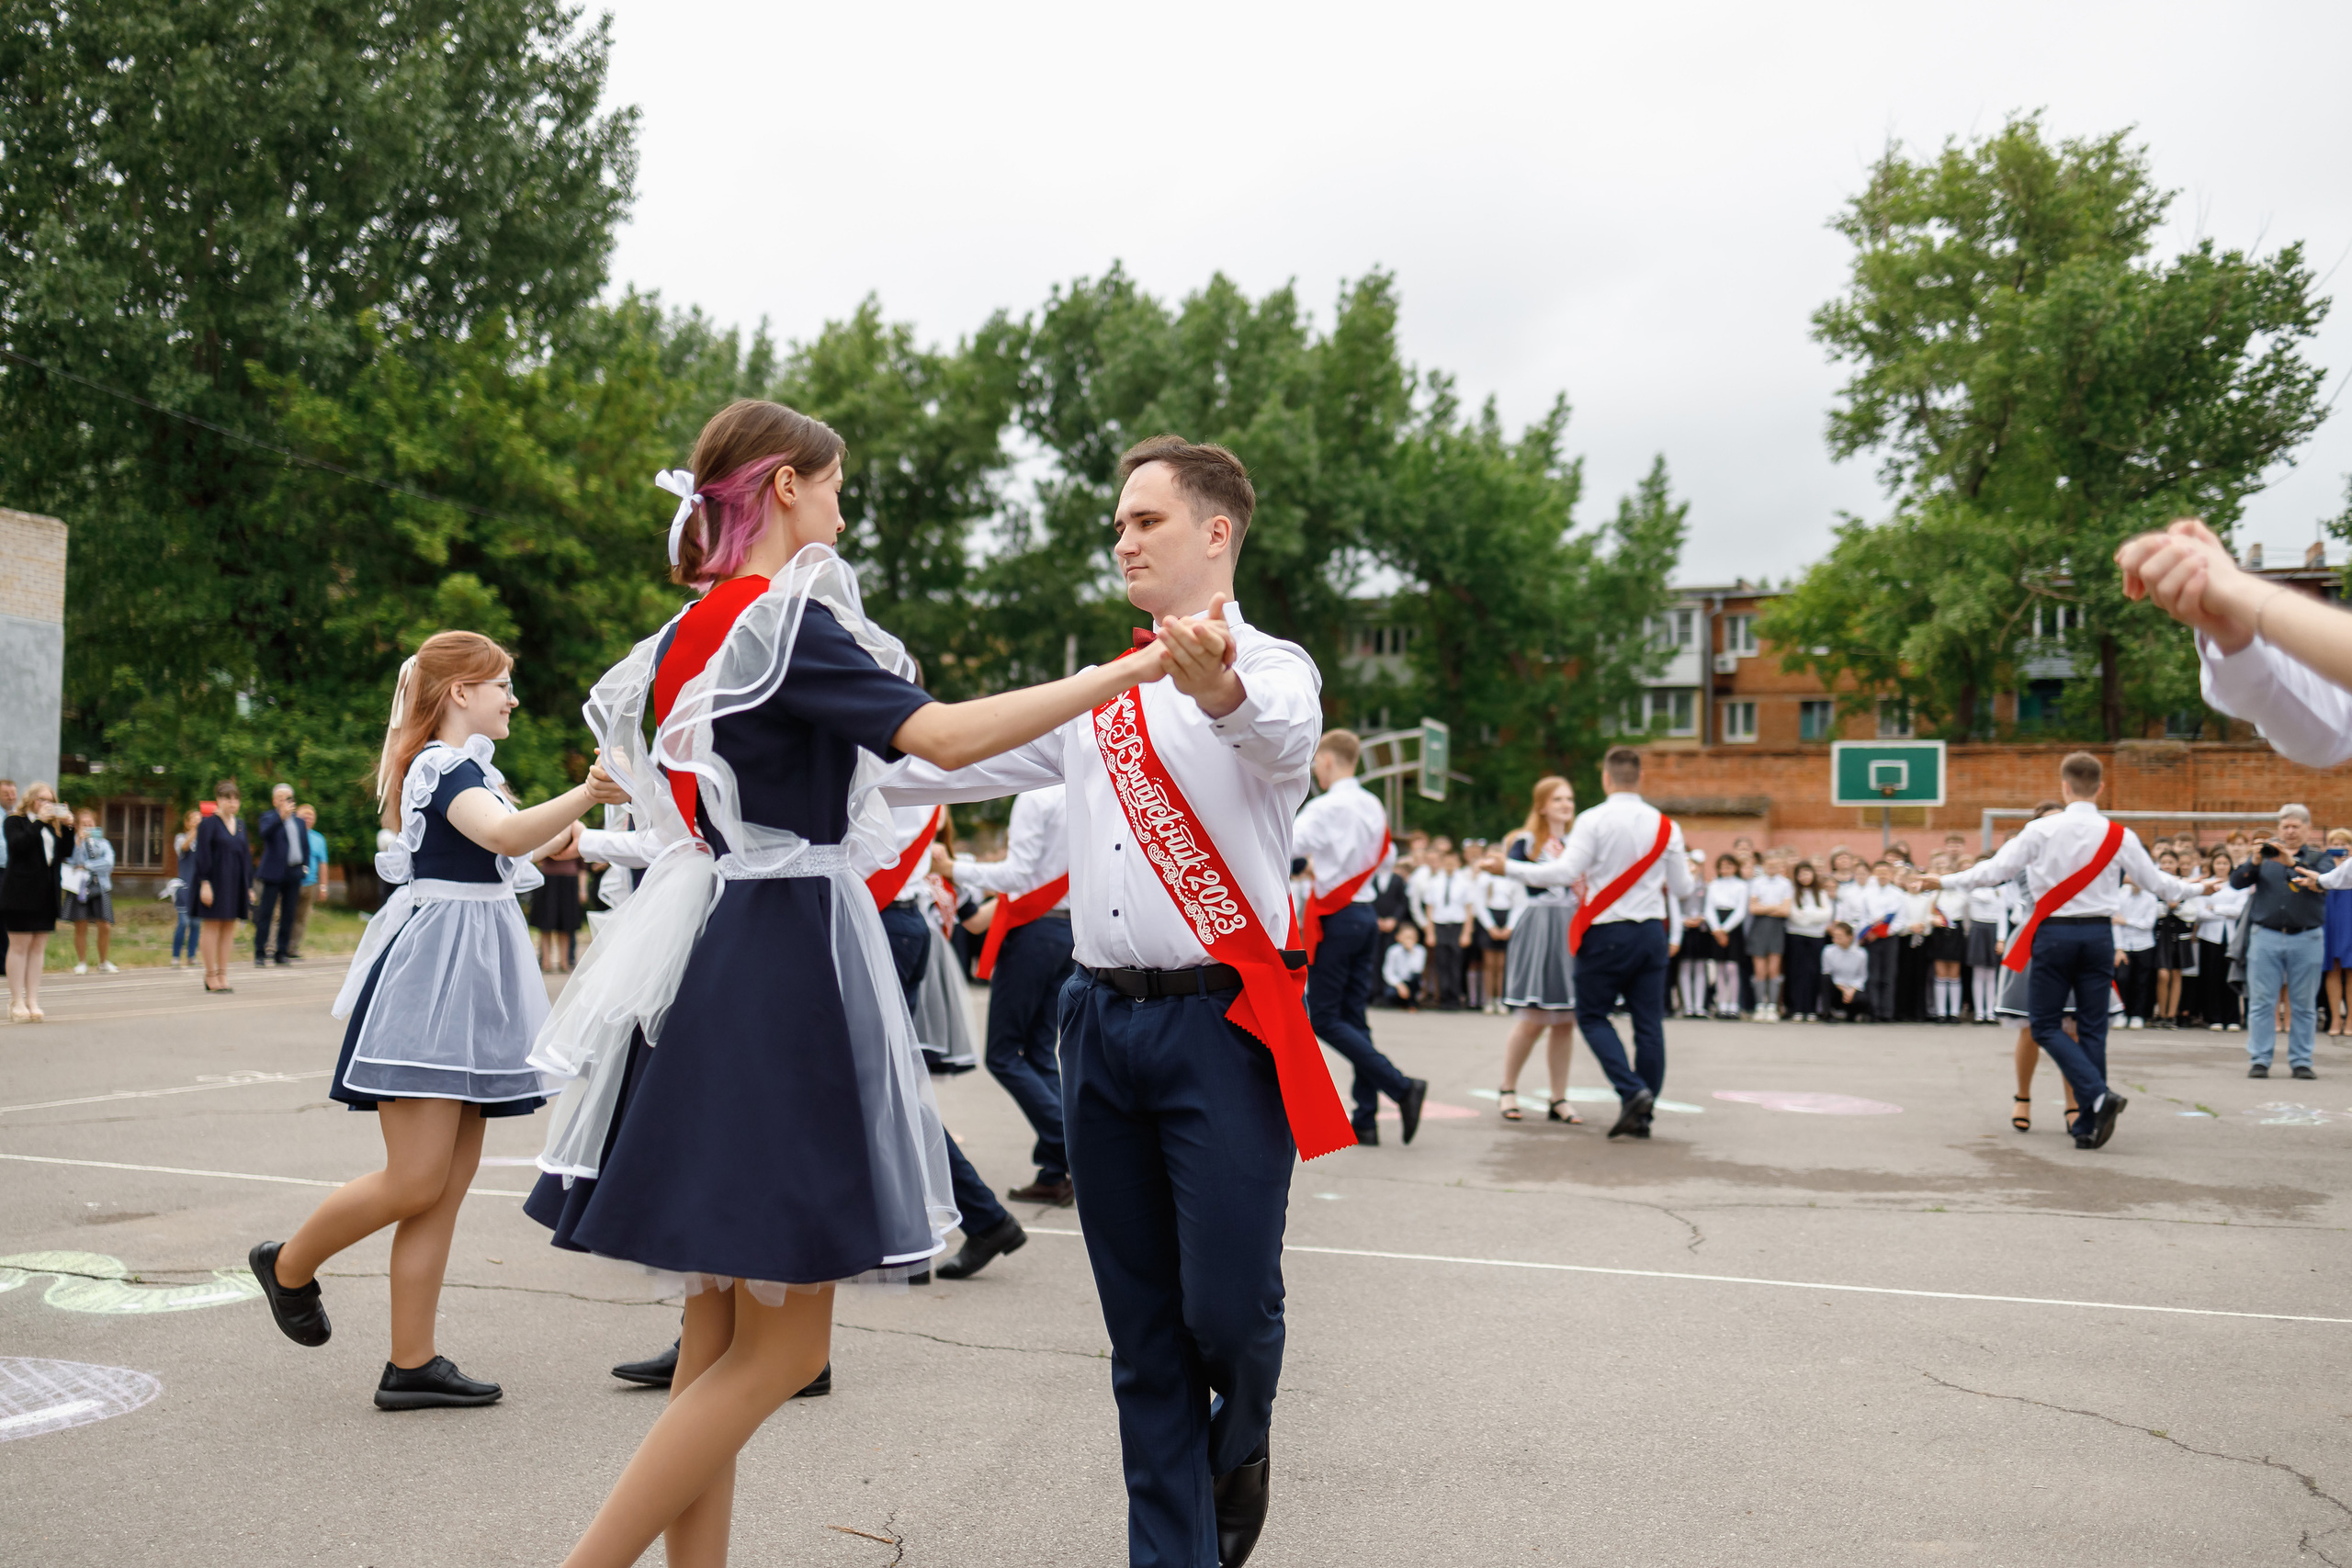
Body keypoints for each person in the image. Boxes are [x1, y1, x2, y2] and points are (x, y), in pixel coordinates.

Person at [514, 403, 1189, 1568]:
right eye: (833, 486)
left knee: (715, 1337)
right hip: (785, 967)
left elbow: (793, 792)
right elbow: (942, 741)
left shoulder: (689, 634)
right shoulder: (788, 622)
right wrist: (1124, 672)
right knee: (777, 1354)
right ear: (784, 489)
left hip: (720, 948)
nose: (841, 506)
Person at [883, 434, 1344, 1568]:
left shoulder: (1273, 666)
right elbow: (938, 766)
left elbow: (1277, 732)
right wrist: (802, 734)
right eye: (1120, 524)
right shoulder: (1103, 699)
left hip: (1219, 1026)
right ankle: (1172, 1553)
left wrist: (1218, 688)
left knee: (1227, 1312)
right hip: (1100, 1022)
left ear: (1215, 532)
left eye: (1146, 521)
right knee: (1140, 1331)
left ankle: (1237, 1447)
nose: (1123, 539)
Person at [247, 629, 625, 1412]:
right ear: (460, 692)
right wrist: (585, 793)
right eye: (501, 687)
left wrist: (606, 813)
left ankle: (410, 1362)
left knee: (443, 1188)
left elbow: (528, 842)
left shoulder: (474, 770)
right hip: (433, 984)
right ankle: (287, 1262)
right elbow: (501, 835)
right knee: (416, 1176)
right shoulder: (440, 766)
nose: (512, 699)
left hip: (475, 985)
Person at [1922, 752, 2203, 1149]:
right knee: (2092, 1028)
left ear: (2064, 786)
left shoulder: (2041, 830)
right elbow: (2159, 884)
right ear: (2101, 787)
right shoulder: (2119, 835)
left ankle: (2098, 1094)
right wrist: (2198, 888)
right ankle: (2087, 1124)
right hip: (2099, 936)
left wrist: (1942, 880)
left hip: (2052, 935)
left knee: (2044, 1026)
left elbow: (1994, 871)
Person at [1489, 745, 1690, 1140]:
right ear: (1641, 778)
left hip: (1607, 932)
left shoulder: (1594, 820)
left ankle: (1633, 1092)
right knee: (1649, 1023)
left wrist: (1506, 868)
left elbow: (1566, 871)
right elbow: (1683, 887)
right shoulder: (1667, 826)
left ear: (1606, 778)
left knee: (1591, 1016)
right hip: (1651, 932)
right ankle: (1642, 1114)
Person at [1293, 728, 1427, 1148]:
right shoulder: (1372, 804)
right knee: (1353, 1016)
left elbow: (1285, 847)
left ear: (1329, 761)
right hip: (1365, 912)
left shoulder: (1325, 807)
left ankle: (1401, 1086)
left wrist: (1312, 868)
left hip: (1337, 916)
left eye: (1317, 762)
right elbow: (1384, 858)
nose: (1316, 769)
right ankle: (1366, 1119)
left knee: (1325, 1018)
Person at [956, 786, 1079, 1201]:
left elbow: (1018, 874)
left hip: (1035, 928)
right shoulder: (1086, 787)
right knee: (1040, 1051)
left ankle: (1068, 1144)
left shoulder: (1037, 796)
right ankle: (1054, 1172)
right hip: (1069, 929)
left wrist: (955, 868)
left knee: (1003, 1054)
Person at [1496, 776, 1581, 1122]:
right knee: (1533, 1020)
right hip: (1539, 928)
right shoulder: (1526, 842)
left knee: (1566, 1021)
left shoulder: (1580, 843)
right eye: (1558, 799)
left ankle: (1558, 1098)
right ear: (1542, 804)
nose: (1566, 805)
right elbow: (1525, 882)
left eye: (1570, 799)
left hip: (1571, 927)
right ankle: (1507, 1088)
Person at [2229, 805, 2328, 1079]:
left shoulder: (2320, 858)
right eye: (2285, 826)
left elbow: (2324, 883)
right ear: (2279, 829)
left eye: (2296, 826)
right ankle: (2260, 1059)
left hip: (2307, 936)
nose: (2290, 831)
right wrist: (2255, 861)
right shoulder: (2266, 857)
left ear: (2307, 828)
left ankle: (2301, 1061)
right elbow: (2236, 882)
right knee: (2261, 1002)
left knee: (2304, 1004)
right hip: (2266, 935)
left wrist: (2291, 863)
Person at [3, 783, 73, 1021]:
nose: (47, 804)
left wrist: (69, 827)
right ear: (31, 800)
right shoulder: (15, 821)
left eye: (51, 800)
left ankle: (32, 1000)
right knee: (20, 946)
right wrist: (39, 822)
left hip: (46, 894)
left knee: (38, 948)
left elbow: (65, 853)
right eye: (42, 799)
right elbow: (18, 846)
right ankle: (16, 1002)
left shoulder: (52, 829)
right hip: (20, 894)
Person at [189, 780, 254, 993]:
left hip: (235, 882)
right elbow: (202, 856)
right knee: (212, 925)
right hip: (214, 881)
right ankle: (210, 975)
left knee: (229, 926)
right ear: (218, 800)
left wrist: (249, 886)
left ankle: (223, 973)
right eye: (228, 798)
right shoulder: (208, 824)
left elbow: (245, 856)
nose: (233, 803)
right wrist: (205, 883)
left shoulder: (241, 824)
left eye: (236, 798)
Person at [252, 782, 310, 967]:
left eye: (288, 798)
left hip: (293, 872)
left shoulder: (300, 822)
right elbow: (264, 834)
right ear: (274, 801)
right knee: (266, 913)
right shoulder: (268, 817)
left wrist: (305, 866)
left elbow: (304, 845)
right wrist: (280, 818)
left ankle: (281, 952)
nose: (285, 802)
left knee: (289, 914)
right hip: (273, 872)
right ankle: (260, 952)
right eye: (280, 798)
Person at [2192, 847, 2246, 1032]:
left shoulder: (2237, 885)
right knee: (2211, 977)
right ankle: (2213, 1017)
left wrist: (2214, 909)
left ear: (2230, 865)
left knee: (2230, 977)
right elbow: (2199, 913)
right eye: (2218, 863)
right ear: (2213, 865)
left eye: (2225, 863)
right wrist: (2224, 911)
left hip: (2231, 937)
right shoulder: (2205, 884)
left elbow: (2239, 911)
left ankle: (2232, 1018)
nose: (2222, 866)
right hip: (2209, 937)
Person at [1471, 845, 1523, 1017]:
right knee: (1489, 964)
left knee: (1502, 964)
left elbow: (1519, 903)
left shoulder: (1512, 877)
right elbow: (1479, 904)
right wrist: (1490, 926)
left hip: (1506, 918)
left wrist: (1509, 926)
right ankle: (1488, 1000)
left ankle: (1501, 999)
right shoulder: (1483, 878)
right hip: (1489, 919)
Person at [65, 807, 118, 974]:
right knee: (80, 924)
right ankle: (82, 962)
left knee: (105, 925)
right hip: (79, 887)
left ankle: (103, 961)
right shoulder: (73, 843)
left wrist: (87, 866)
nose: (88, 827)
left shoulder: (103, 843)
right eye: (84, 824)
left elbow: (108, 863)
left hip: (100, 885)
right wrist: (79, 844)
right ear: (78, 826)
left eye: (91, 824)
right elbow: (73, 862)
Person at [1962, 856, 2011, 1025]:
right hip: (1977, 929)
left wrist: (2001, 939)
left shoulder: (1999, 890)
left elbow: (2002, 915)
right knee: (1978, 972)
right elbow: (1966, 913)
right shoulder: (1971, 890)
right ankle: (1979, 1012)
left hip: (1993, 930)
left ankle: (1990, 1012)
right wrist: (1968, 932)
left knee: (1991, 973)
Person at [1782, 861, 1832, 1021]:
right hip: (1796, 935)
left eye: (1807, 873)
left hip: (1816, 936)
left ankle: (1810, 1009)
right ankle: (1797, 1008)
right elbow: (1794, 914)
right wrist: (1812, 917)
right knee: (1796, 972)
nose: (1805, 877)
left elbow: (1827, 914)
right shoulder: (1792, 892)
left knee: (1813, 972)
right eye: (1801, 873)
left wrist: (1807, 916)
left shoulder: (1821, 894)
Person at [1746, 851, 1792, 1021]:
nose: (1772, 868)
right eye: (1769, 865)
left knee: (1774, 969)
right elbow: (1753, 908)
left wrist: (1765, 907)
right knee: (1760, 970)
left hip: (1776, 928)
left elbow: (1786, 910)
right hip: (1759, 927)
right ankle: (1760, 1006)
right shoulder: (1757, 883)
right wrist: (1775, 907)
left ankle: (1772, 1006)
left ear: (1781, 866)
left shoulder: (1786, 884)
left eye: (1776, 865)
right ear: (1764, 866)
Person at [2152, 848, 2195, 1029]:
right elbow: (2151, 910)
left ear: (2177, 864)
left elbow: (2192, 913)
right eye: (2164, 862)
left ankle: (2171, 1016)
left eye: (2171, 862)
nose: (2167, 865)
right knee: (2163, 974)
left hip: (2180, 934)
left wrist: (2176, 907)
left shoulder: (2184, 884)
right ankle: (2161, 1013)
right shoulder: (2154, 884)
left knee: (2177, 974)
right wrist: (2166, 908)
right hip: (2161, 934)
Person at [530, 835, 587, 973]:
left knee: (566, 925)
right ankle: (546, 963)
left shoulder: (576, 834)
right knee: (546, 924)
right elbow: (536, 857)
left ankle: (564, 962)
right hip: (548, 882)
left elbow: (583, 866)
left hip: (569, 882)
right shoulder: (549, 831)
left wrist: (583, 889)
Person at [1702, 853, 1748, 1019]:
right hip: (1716, 925)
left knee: (1732, 967)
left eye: (1729, 866)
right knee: (1720, 967)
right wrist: (1716, 929)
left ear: (1735, 867)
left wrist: (1725, 930)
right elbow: (1708, 909)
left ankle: (1733, 1004)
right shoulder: (1714, 885)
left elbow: (1741, 911)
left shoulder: (1741, 886)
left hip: (1732, 926)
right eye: (1722, 866)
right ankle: (1721, 1004)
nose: (1725, 869)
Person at [2112, 875, 2158, 1029]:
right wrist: (2119, 948)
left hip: (2144, 945)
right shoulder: (2120, 895)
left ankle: (2137, 1015)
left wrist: (2127, 921)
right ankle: (2122, 1013)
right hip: (2124, 946)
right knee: (2122, 979)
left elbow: (2148, 924)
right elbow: (2115, 923)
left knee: (2141, 981)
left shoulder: (2151, 898)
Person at [2322, 829, 2352, 1037]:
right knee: (2332, 967)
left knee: (2351, 969)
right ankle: (2335, 1018)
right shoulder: (2324, 865)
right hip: (2330, 916)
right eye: (2336, 843)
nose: (2340, 847)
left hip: (2350, 915)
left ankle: (2351, 1019)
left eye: (2344, 844)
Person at [289, 805, 328, 961]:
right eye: (304, 815)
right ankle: (274, 946)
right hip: (292, 882)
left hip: (311, 884)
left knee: (301, 918)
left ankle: (293, 948)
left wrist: (323, 886)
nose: (308, 818)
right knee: (283, 916)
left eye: (311, 815)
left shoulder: (319, 839)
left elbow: (323, 864)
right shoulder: (291, 834)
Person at [169, 808, 204, 968]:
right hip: (184, 887)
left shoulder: (204, 842)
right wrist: (195, 831)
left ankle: (191, 955)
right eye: (194, 819)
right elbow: (184, 847)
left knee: (196, 923)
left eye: (200, 818)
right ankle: (175, 956)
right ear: (187, 823)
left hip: (199, 887)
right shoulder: (181, 838)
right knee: (183, 922)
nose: (197, 821)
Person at [1819, 922, 1868, 1020]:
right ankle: (1827, 1013)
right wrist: (1843, 989)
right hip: (1837, 988)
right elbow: (1827, 972)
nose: (1836, 939)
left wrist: (1851, 990)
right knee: (1825, 978)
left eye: (1840, 936)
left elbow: (1862, 976)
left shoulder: (1861, 954)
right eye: (1835, 936)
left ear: (1850, 937)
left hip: (1852, 989)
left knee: (1863, 998)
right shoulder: (1828, 951)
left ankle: (1852, 1014)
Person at [1382, 921, 1425, 1008]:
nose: (1409, 940)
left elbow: (1418, 969)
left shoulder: (1420, 951)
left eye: (1411, 937)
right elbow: (1388, 972)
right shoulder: (1393, 951)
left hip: (1412, 982)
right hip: (1398, 983)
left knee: (1416, 978)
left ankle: (1412, 1002)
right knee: (1390, 993)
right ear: (1398, 937)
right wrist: (1400, 985)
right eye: (1406, 937)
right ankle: (1400, 1002)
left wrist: (1411, 952)